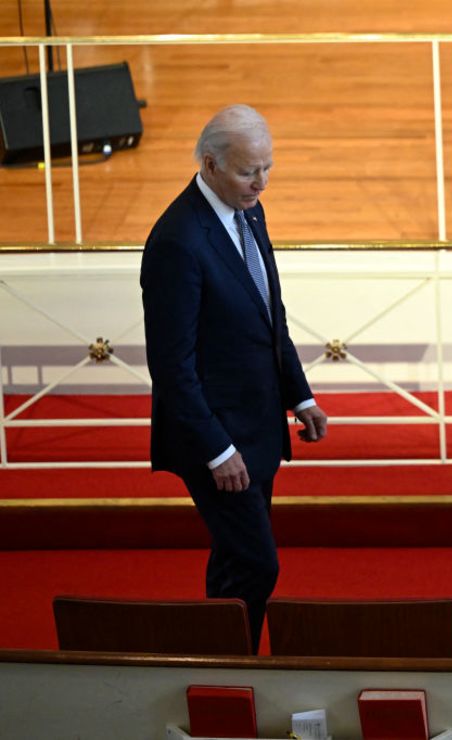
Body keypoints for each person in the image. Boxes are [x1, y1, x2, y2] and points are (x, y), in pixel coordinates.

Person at [141, 104, 328, 653]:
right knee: (255, 562)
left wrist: (300, 394)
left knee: (234, 560)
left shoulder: (248, 210)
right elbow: (172, 367)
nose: (261, 182)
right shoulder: (178, 241)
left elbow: (269, 314)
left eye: (267, 168)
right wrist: (217, 451)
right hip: (216, 440)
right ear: (210, 163)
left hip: (258, 429)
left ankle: (225, 667)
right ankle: (229, 665)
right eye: (249, 171)